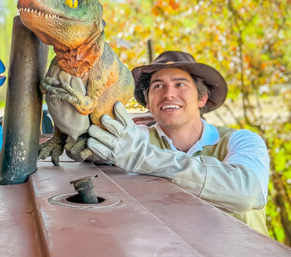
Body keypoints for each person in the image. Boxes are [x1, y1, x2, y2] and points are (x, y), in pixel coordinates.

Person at [86, 51, 270, 235]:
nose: (168, 94)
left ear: (202, 98)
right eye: (158, 86)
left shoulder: (242, 140)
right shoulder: (135, 138)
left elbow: (248, 192)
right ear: (148, 103)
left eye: (180, 84)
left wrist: (142, 158)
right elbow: (96, 150)